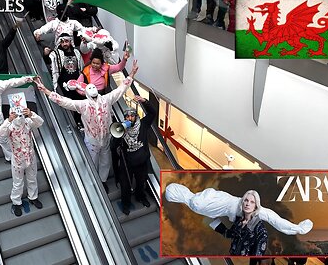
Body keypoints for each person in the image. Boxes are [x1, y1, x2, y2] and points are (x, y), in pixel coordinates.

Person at [36, 60, 139, 191]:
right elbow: (64, 101)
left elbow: (121, 89)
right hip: (92, 141)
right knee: (92, 162)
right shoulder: (83, 105)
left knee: (105, 162)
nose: (93, 92)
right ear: (87, 93)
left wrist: (131, 74)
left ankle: (102, 181)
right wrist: (46, 90)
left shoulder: (106, 99)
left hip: (106, 138)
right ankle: (92, 184)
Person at [165, 183, 314, 235]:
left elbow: (213, 212)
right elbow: (211, 193)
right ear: (180, 192)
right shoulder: (195, 201)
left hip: (234, 208)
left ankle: (295, 229)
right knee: (269, 215)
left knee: (269, 216)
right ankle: (297, 228)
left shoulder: (193, 206)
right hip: (235, 205)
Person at [113, 96, 156, 215]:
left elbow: (153, 113)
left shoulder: (143, 124)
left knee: (141, 181)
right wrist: (119, 134)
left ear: (136, 117)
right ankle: (126, 203)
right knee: (125, 185)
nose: (129, 118)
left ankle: (141, 197)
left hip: (141, 162)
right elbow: (114, 145)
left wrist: (144, 102)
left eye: (132, 116)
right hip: (127, 163)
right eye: (127, 116)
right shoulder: (121, 129)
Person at [0, 107, 44, 217]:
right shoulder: (9, 127)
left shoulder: (27, 122)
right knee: (18, 183)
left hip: (30, 157)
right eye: (16, 114)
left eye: (20, 114)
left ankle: (33, 197)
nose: (19, 117)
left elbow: (40, 122)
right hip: (18, 160)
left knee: (32, 178)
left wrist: (31, 113)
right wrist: (8, 120)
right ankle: (16, 202)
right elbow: (0, 133)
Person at [211, 190, 268, 256]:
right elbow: (229, 234)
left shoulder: (260, 230)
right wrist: (213, 219)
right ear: (242, 202)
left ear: (256, 206)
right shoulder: (239, 221)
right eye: (246, 200)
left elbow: (257, 256)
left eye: (252, 202)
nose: (247, 204)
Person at [48, 33, 84, 125]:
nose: (64, 44)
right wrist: (45, 54)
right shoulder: (55, 53)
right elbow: (49, 60)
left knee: (79, 105)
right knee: (67, 105)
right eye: (62, 42)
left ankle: (80, 123)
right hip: (64, 87)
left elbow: (81, 67)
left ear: (70, 42)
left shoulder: (76, 52)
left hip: (77, 85)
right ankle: (72, 125)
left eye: (66, 41)